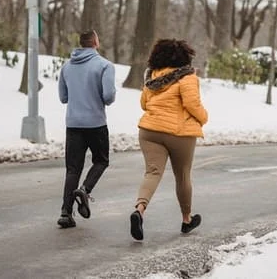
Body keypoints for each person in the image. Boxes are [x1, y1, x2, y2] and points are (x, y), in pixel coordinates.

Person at [129, 39, 208, 241]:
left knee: (153, 172)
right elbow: (192, 104)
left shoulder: (152, 76)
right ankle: (186, 219)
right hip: (179, 133)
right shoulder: (188, 77)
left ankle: (139, 209)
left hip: (149, 130)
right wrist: (203, 118)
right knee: (182, 175)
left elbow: (144, 103)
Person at [57, 29, 116, 228]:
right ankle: (85, 189)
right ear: (95, 42)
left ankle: (65, 213)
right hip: (96, 123)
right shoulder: (105, 66)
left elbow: (63, 98)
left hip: (73, 124)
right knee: (101, 160)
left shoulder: (66, 67)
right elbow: (108, 96)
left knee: (72, 169)